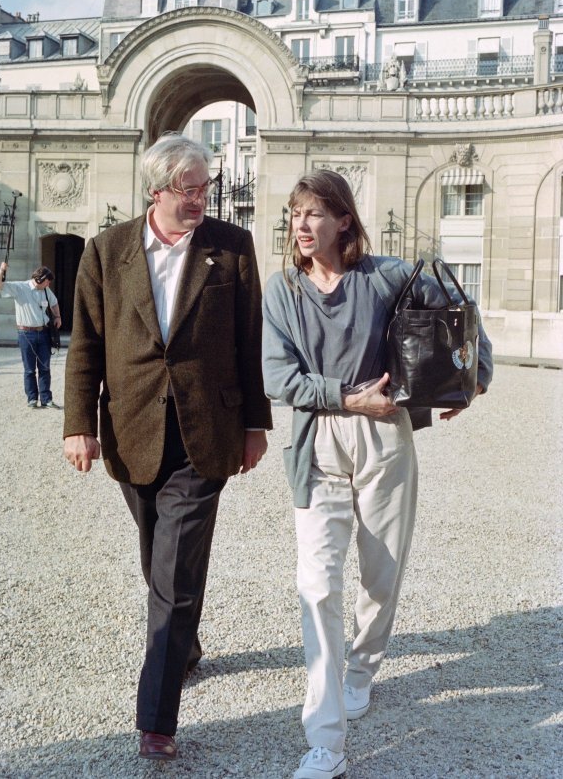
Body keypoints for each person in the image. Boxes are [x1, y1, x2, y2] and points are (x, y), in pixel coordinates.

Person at [262, 169, 493, 779]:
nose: (302, 225)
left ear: (344, 220)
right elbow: (278, 379)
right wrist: (345, 397)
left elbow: (460, 310)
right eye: (295, 213)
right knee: (316, 585)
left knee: (381, 575)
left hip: (385, 434)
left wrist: (472, 377)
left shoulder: (385, 276)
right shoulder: (281, 290)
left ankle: (361, 668)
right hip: (318, 442)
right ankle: (326, 741)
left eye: (314, 213)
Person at [63, 133, 272, 763]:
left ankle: (156, 719)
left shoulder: (232, 249)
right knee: (159, 554)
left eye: (205, 187)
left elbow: (249, 339)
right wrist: (79, 424)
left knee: (175, 570)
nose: (200, 199)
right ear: (157, 189)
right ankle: (185, 646)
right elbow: (85, 346)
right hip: (131, 431)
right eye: (189, 189)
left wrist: (256, 425)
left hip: (208, 430)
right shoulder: (107, 250)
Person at [0, 262, 62, 408]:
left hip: (43, 332)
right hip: (26, 333)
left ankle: (46, 399)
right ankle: (32, 399)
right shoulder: (20, 287)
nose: (48, 284)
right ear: (40, 279)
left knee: (45, 367)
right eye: (47, 281)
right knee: (30, 369)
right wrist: (2, 270)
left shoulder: (46, 290)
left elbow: (54, 302)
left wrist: (57, 317)